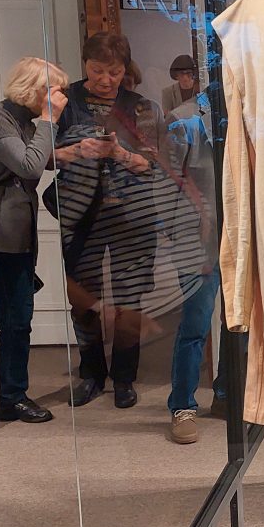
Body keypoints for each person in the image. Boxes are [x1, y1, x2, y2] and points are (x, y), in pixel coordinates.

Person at [55, 32, 162, 409]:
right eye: (97, 70)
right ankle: (91, 374)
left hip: (131, 214)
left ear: (125, 69)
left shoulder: (141, 107)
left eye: (114, 72)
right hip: (80, 214)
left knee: (129, 298)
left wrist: (120, 154)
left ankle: (124, 378)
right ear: (85, 63)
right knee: (82, 298)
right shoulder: (64, 101)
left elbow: (156, 165)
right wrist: (74, 151)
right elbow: (39, 156)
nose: (105, 79)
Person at [0, 57, 69, 423]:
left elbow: (34, 159)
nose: (60, 97)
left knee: (18, 324)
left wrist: (71, 151)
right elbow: (28, 165)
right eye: (54, 90)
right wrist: (50, 119)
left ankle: (12, 398)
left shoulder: (26, 124)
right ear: (34, 89)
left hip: (18, 241)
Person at [163, 90, 223, 443]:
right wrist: (176, 234)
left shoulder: (252, 113)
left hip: (241, 237)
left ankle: (227, 394)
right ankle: (182, 405)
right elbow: (165, 181)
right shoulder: (184, 121)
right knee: (196, 324)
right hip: (197, 241)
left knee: (241, 326)